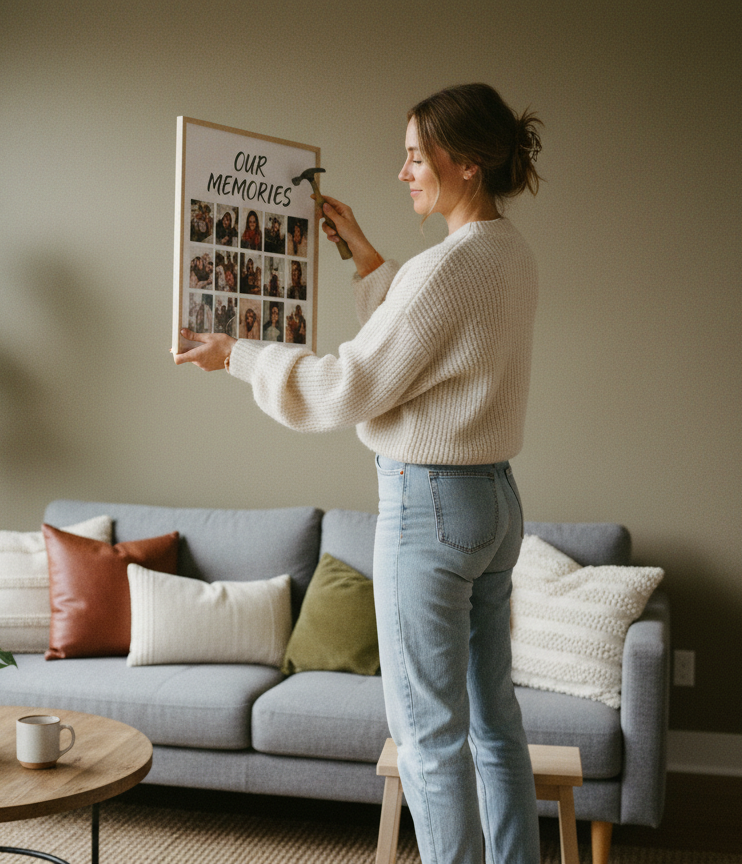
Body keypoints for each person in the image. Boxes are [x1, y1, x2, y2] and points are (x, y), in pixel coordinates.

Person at [175, 83, 543, 864]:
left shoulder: (448, 268)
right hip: (495, 501)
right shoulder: (508, 253)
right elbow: (432, 340)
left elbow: (346, 386)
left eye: (416, 155)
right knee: (494, 723)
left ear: (466, 162)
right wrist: (367, 255)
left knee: (428, 737)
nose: (403, 169)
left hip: (430, 504)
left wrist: (234, 354)